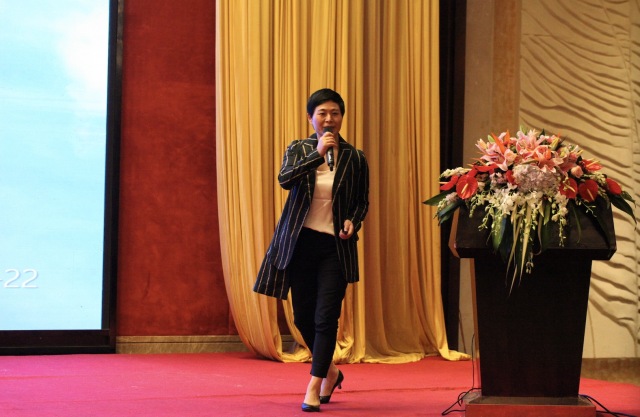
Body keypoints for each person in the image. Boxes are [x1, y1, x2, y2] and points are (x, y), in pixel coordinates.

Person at [253, 88, 370, 412]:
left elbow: (361, 201)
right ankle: (331, 372)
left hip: (335, 247)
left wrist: (353, 220)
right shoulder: (299, 149)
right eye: (322, 113)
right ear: (311, 118)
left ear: (342, 117)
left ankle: (314, 385)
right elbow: (285, 179)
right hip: (300, 244)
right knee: (303, 316)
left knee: (326, 317)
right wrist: (317, 154)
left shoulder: (355, 157)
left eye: (335, 113)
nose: (329, 119)